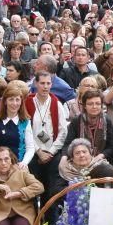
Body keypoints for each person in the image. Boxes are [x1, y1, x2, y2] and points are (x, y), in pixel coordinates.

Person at [24, 71, 68, 200]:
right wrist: (38, 151)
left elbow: (63, 131)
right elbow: (26, 131)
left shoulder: (56, 103)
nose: (45, 86)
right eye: (42, 83)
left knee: (52, 189)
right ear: (36, 83)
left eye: (48, 83)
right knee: (35, 186)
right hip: (33, 151)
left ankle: (51, 217)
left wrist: (51, 152)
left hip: (52, 152)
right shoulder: (28, 102)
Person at [0, 85, 36, 167]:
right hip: (0, 166)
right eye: (11, 100)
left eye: (17, 100)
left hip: (19, 165)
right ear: (5, 101)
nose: (14, 103)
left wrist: (24, 163)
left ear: (21, 102)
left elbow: (30, 147)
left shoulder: (25, 123)